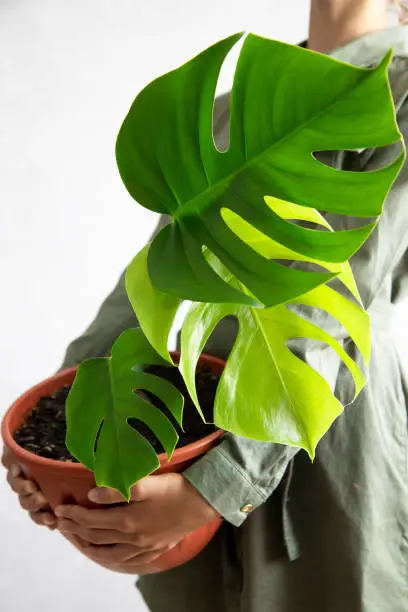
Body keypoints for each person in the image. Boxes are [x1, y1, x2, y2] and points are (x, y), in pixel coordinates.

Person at [3, 1, 408, 610]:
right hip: (190, 405)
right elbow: (162, 272)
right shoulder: (234, 107)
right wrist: (59, 431)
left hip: (322, 418)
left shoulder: (399, 88)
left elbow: (343, 288)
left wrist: (217, 488)